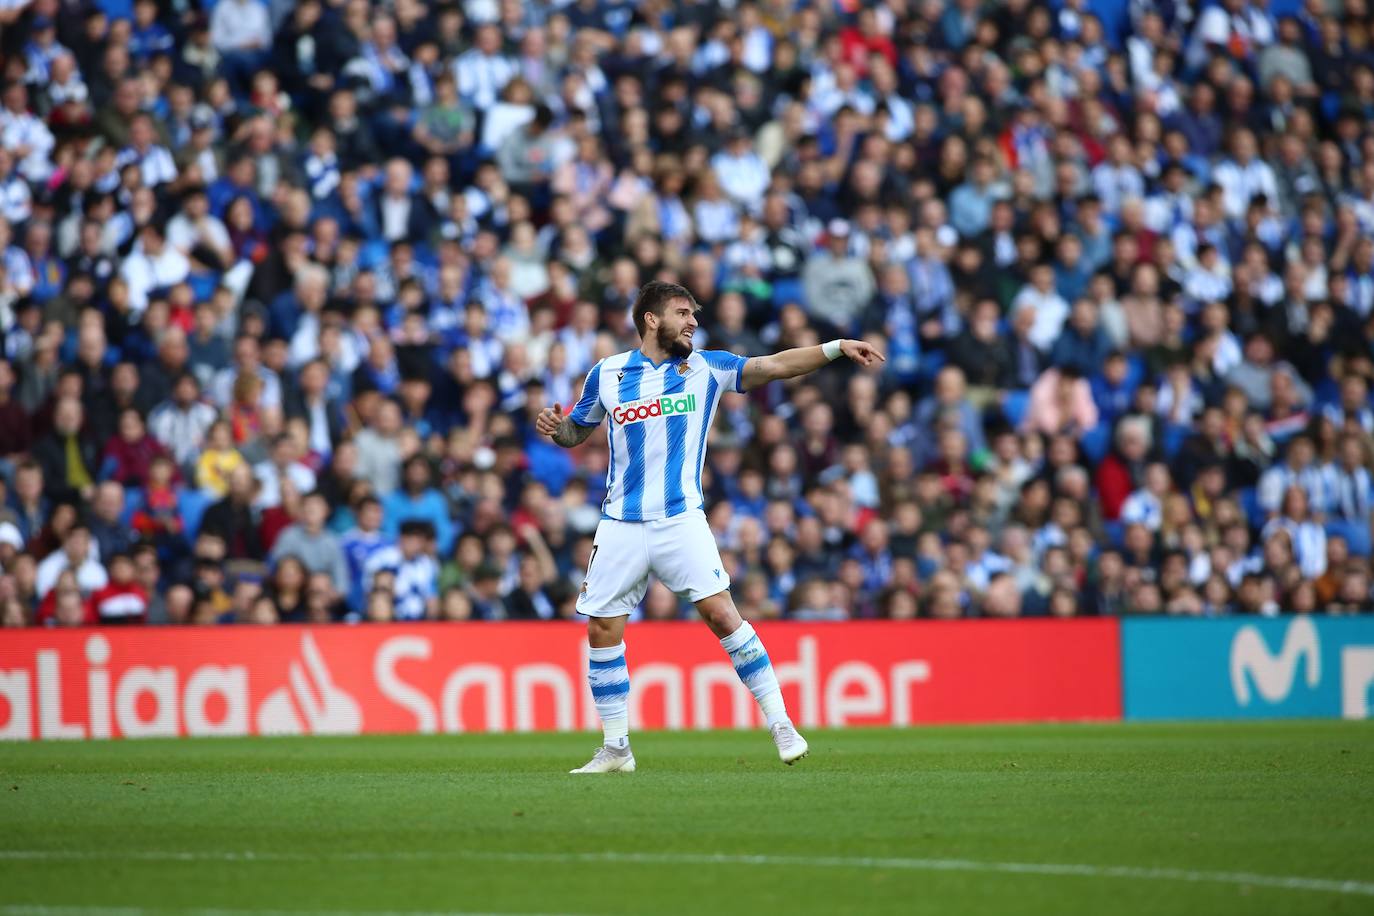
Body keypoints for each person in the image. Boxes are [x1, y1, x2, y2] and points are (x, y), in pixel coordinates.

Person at [536, 280, 884, 773]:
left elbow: (775, 365)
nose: (693, 321)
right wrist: (557, 430)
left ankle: (781, 722)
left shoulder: (706, 367)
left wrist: (835, 348)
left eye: (695, 314)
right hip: (620, 523)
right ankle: (616, 748)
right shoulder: (607, 373)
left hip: (681, 520)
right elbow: (578, 429)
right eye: (683, 312)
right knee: (602, 629)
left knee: (723, 616)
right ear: (652, 319)